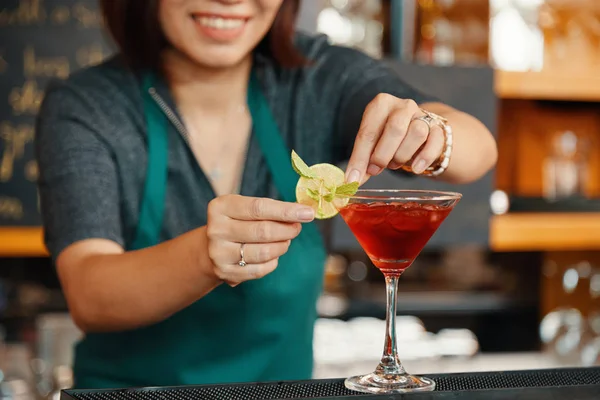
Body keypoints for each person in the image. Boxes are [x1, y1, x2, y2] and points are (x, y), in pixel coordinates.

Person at [35, 0, 497, 390]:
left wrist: (432, 132)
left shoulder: (318, 79)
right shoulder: (86, 105)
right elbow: (90, 295)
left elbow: (480, 148)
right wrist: (202, 257)